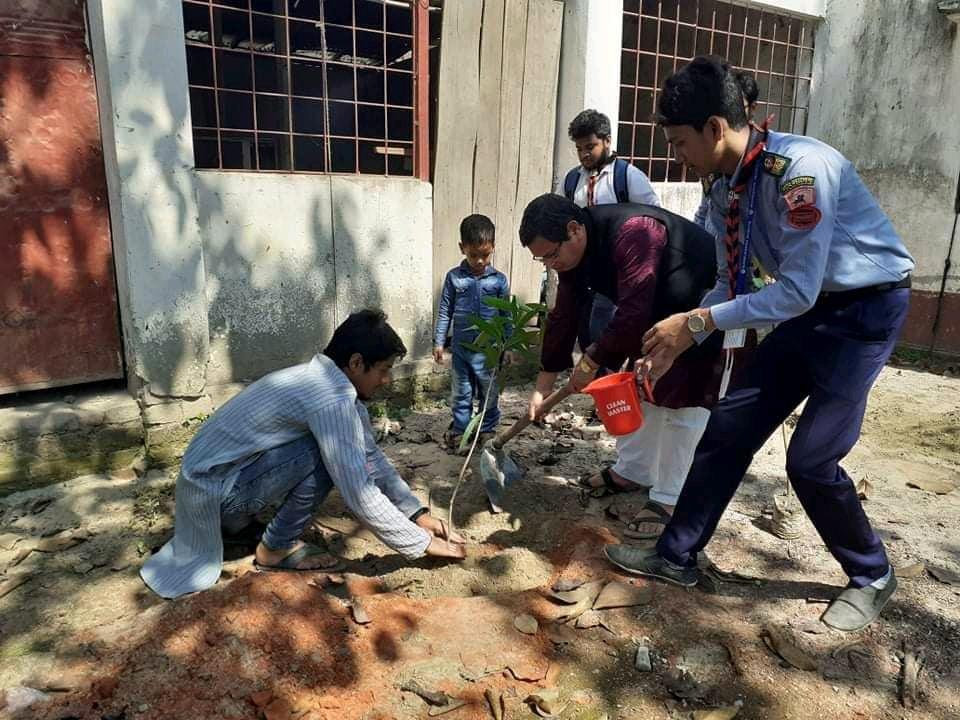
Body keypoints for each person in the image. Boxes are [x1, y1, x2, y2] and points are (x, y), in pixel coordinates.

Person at [605, 56, 915, 632]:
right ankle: (676, 556)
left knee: (812, 459)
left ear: (714, 128)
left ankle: (872, 573)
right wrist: (685, 335)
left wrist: (698, 323)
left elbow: (794, 290)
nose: (678, 156)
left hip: (865, 311)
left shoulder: (800, 172)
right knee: (728, 427)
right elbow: (733, 281)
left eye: (679, 143)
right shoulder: (730, 184)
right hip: (809, 309)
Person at [141, 310, 466, 599]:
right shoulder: (330, 399)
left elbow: (371, 456)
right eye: (383, 369)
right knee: (328, 453)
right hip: (216, 503)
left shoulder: (322, 382)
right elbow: (360, 493)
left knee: (337, 448)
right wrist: (420, 543)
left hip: (206, 496)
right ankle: (276, 547)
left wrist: (417, 514)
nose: (386, 380)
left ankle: (247, 531)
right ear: (356, 363)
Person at [519, 193, 721, 538]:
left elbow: (632, 311)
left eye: (551, 254)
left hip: (702, 308)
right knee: (642, 390)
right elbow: (564, 314)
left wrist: (592, 360)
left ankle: (671, 498)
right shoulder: (571, 256)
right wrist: (543, 386)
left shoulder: (636, 232)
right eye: (542, 259)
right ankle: (633, 471)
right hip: (655, 312)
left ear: (573, 230)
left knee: (684, 408)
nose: (550, 264)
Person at [558, 109, 661, 367]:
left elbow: (655, 220)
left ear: (607, 141)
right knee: (586, 333)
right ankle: (600, 384)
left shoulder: (628, 177)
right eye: (579, 148)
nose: (584, 154)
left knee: (610, 331)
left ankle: (613, 381)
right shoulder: (571, 181)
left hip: (620, 274)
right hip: (586, 274)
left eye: (590, 146)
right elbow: (559, 218)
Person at [433, 214, 511, 451]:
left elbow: (506, 316)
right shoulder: (454, 278)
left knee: (489, 392)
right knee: (461, 392)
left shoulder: (499, 281)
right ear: (462, 248)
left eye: (485, 255)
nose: (479, 261)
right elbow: (445, 310)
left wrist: (507, 346)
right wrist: (439, 342)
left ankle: (486, 430)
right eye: (473, 255)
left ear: (493, 248)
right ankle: (461, 430)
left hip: (489, 351)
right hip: (461, 349)